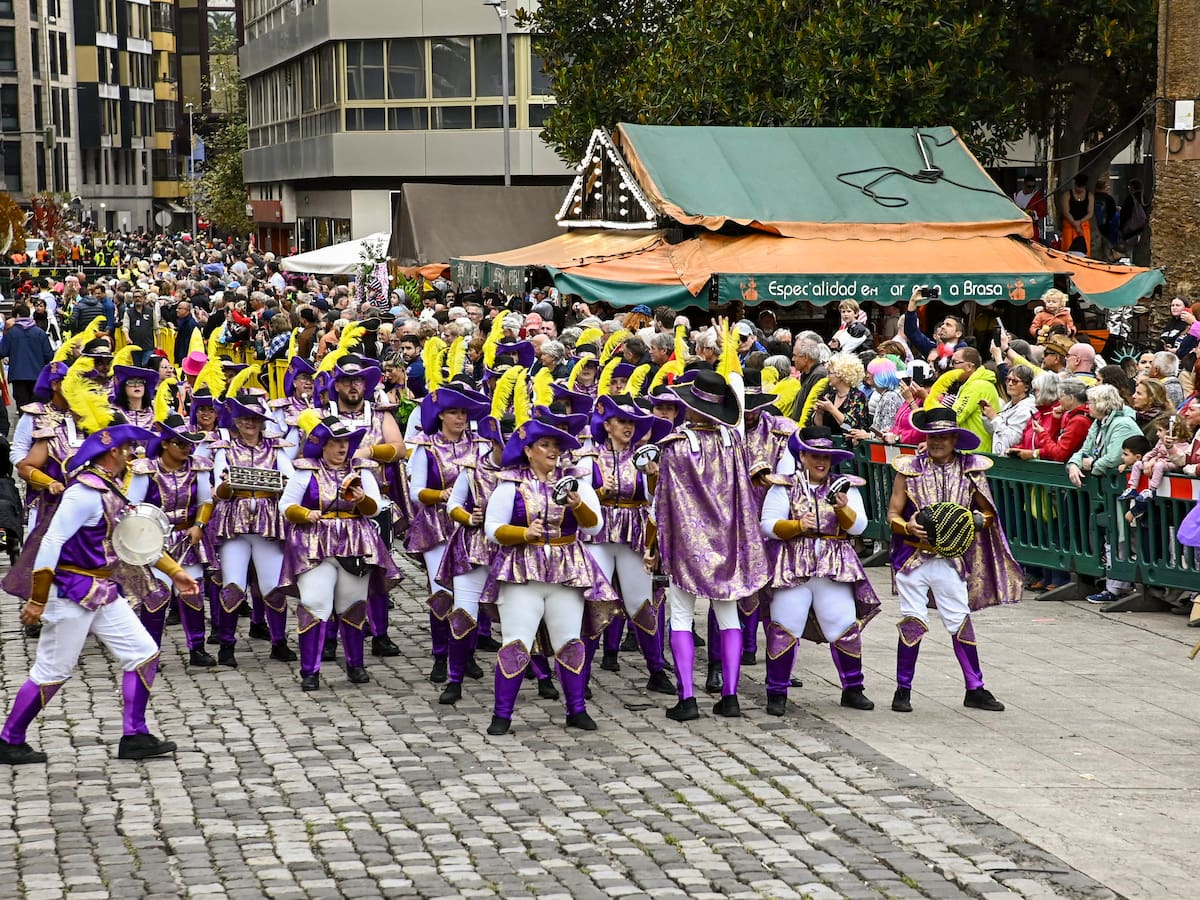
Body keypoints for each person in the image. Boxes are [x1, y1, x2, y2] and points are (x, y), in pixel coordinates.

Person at [0, 416, 199, 765]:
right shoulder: (84, 493)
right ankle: (9, 739)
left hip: (102, 588)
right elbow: (51, 541)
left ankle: (135, 735)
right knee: (53, 671)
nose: (133, 455)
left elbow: (134, 538)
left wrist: (176, 572)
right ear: (113, 453)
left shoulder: (111, 489)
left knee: (142, 653)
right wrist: (37, 598)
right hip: (70, 592)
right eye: (128, 450)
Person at [481, 417, 618, 735]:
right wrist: (523, 532)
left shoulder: (577, 483)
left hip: (566, 570)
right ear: (528, 450)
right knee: (516, 642)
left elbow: (594, 526)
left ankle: (577, 710)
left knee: (569, 642)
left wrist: (579, 505)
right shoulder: (510, 485)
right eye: (545, 445)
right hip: (522, 572)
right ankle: (502, 715)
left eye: (556, 446)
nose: (552, 451)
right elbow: (491, 528)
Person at [648, 369, 769, 721]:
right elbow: (745, 497)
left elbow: (662, 504)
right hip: (728, 541)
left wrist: (655, 547)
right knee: (728, 616)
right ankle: (730, 696)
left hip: (687, 546)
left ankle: (687, 698)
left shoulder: (676, 447)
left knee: (683, 617)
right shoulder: (734, 444)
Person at [886, 407, 1023, 714]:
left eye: (944, 436)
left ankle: (975, 688)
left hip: (951, 559)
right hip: (912, 557)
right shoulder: (908, 468)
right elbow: (893, 513)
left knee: (960, 620)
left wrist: (971, 520)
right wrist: (906, 525)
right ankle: (902, 689)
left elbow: (989, 514)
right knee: (913, 620)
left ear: (954, 438)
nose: (937, 442)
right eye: (932, 436)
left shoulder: (971, 469)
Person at [760, 427, 880, 715]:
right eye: (815, 455)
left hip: (834, 566)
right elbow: (767, 524)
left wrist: (842, 510)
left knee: (844, 626)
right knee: (784, 626)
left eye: (826, 456)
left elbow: (859, 527)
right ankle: (776, 691)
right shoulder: (784, 486)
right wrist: (798, 526)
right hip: (792, 566)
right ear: (802, 455)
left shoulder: (845, 487)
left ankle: (853, 688)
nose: (821, 462)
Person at [277, 413, 400, 690]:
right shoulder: (305, 469)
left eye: (345, 441)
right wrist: (306, 513)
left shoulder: (361, 470)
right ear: (322, 445)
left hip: (354, 543)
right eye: (335, 442)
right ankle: (310, 670)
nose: (341, 448)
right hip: (313, 544)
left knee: (353, 605)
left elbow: (376, 509)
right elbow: (285, 506)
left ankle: (355, 664)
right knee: (315, 603)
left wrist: (363, 500)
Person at [583, 395, 676, 694]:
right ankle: (579, 678)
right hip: (598, 534)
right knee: (594, 602)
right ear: (607, 425)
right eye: (622, 421)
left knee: (641, 603)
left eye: (632, 423)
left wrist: (653, 476)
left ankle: (656, 670)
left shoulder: (645, 456)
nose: (628, 427)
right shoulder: (589, 457)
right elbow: (578, 503)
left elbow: (655, 500)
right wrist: (598, 491)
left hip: (633, 534)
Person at [208, 392, 297, 668]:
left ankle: (279, 641)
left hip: (267, 523)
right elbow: (221, 484)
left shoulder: (276, 447)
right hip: (234, 523)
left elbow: (290, 479)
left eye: (255, 419)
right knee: (233, 584)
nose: (250, 423)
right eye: (245, 418)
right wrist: (227, 486)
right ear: (236, 420)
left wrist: (271, 485)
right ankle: (226, 645)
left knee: (272, 586)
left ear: (262, 422)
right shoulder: (223, 447)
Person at [407, 386, 490, 683]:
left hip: (472, 527)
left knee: (472, 591)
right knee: (442, 591)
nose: (460, 418)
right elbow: (415, 491)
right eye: (454, 412)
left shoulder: (480, 445)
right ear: (441, 415)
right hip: (437, 526)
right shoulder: (426, 447)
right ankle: (441, 655)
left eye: (464, 413)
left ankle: (466, 653)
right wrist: (442, 494)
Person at [129, 414, 214, 661]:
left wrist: (199, 525)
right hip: (154, 541)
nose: (187, 449)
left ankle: (197, 648)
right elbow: (132, 507)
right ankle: (149, 652)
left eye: (190, 444)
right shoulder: (146, 470)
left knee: (193, 592)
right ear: (165, 443)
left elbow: (206, 501)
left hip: (188, 539)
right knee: (157, 594)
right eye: (181, 444)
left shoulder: (198, 467)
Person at [1066, 385, 1144, 604]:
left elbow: (1113, 458)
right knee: (1112, 535)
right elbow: (1083, 451)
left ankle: (1119, 587)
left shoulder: (1122, 424)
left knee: (1124, 537)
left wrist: (1091, 466)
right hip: (1108, 494)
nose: (1086, 406)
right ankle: (1114, 584)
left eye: (1090, 402)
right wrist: (1074, 464)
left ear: (1102, 404)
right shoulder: (1098, 423)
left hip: (1126, 492)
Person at [0, 302, 53, 411]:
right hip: (37, 376)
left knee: (23, 407)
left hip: (18, 376)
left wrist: (5, 331)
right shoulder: (39, 332)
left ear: (17, 316)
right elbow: (49, 355)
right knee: (37, 408)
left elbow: (2, 352)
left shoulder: (12, 333)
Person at [947, 347, 1002, 452]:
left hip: (975, 453)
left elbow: (954, 417)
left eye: (954, 362)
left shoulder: (976, 386)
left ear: (969, 366)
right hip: (975, 450)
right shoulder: (976, 383)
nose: (951, 366)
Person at [981, 364, 1036, 456]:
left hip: (1014, 463)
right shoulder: (1008, 405)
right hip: (1000, 458)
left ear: (1026, 387)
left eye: (1015, 381)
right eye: (1008, 380)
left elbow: (1013, 440)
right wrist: (987, 416)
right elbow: (995, 433)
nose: (1010, 384)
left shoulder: (1026, 409)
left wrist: (995, 417)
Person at [1059, 173, 1094, 256]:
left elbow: (1090, 212)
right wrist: (1075, 223)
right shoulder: (1067, 195)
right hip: (1069, 225)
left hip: (1083, 226)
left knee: (1084, 251)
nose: (1080, 189)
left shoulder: (1089, 196)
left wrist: (1080, 222)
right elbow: (1066, 212)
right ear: (1075, 185)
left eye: (1082, 187)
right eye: (1078, 186)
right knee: (1068, 251)